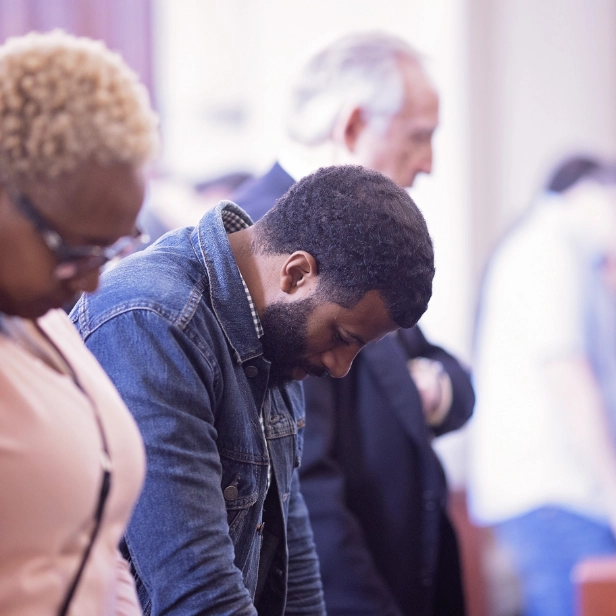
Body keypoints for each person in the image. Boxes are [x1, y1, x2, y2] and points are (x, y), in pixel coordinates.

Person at [70, 164, 435, 616]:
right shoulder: (153, 320)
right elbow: (197, 593)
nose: (340, 368)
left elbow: (294, 572)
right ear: (297, 274)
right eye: (343, 337)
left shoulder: (274, 340)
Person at [232, 31, 474, 616]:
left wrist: (434, 389)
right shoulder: (268, 239)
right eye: (419, 137)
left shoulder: (366, 240)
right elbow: (301, 483)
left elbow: (454, 379)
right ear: (354, 124)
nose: (430, 163)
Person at [0, 30, 159, 615]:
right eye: (73, 249)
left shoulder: (43, 315)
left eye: (108, 251)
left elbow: (92, 541)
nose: (92, 282)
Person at [467, 156, 616, 616]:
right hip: (557, 493)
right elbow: (565, 369)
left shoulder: (548, 246)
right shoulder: (552, 246)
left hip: (552, 494)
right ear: (595, 193)